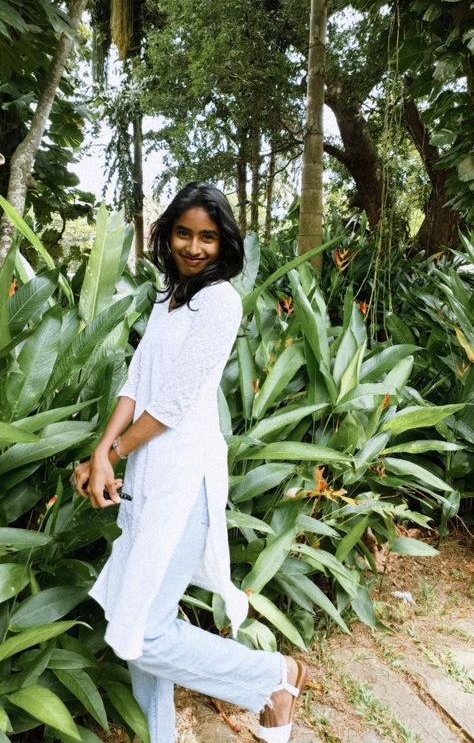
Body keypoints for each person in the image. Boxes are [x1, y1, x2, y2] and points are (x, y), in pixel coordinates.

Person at [71, 183, 308, 743]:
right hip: (146, 484)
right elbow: (137, 381)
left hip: (183, 486)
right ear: (166, 234)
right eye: (184, 233)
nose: (195, 247)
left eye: (207, 236)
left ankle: (274, 676)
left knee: (145, 632)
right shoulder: (169, 298)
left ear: (224, 241)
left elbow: (174, 402)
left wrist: (115, 453)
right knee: (137, 620)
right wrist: (101, 452)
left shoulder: (220, 301)